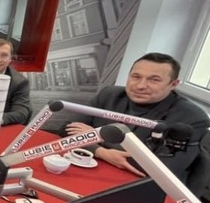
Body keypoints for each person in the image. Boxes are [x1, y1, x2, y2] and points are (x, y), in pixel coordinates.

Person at [65, 52, 210, 181]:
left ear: (173, 84)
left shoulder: (192, 118)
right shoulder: (110, 95)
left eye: (154, 80)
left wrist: (99, 136)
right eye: (136, 77)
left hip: (143, 186)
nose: (140, 86)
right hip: (93, 169)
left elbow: (163, 170)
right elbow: (67, 130)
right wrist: (101, 152)